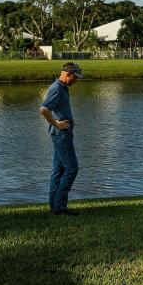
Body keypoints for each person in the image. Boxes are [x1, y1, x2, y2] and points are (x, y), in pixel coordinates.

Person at [39, 62, 83, 215]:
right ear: (68, 74)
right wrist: (56, 124)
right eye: (75, 77)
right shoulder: (57, 88)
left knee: (58, 170)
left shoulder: (63, 88)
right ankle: (60, 207)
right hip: (61, 135)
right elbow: (44, 109)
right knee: (72, 168)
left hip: (62, 135)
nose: (76, 80)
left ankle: (55, 206)